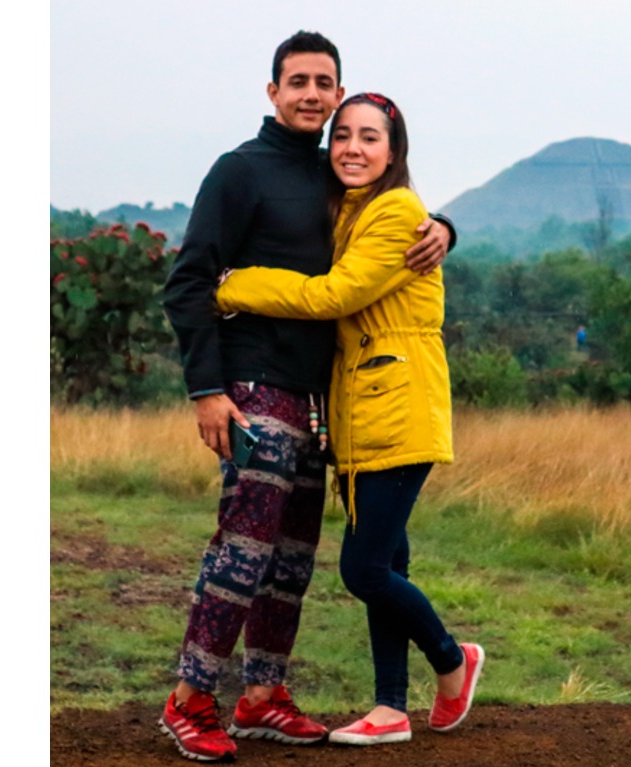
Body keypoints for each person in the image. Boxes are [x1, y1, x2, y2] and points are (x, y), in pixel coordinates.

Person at [160, 32, 455, 763]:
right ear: (273, 92)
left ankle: (263, 694)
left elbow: (388, 227)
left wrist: (448, 228)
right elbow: (189, 281)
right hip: (254, 390)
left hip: (319, 401)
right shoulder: (239, 171)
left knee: (292, 556)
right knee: (244, 548)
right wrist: (205, 390)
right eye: (299, 82)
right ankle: (191, 698)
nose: (313, 95)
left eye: (326, 83)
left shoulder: (334, 178)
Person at [215, 91, 484, 747]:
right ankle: (390, 708)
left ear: (394, 152)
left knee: (363, 570)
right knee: (389, 560)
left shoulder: (394, 212)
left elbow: (332, 294)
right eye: (342, 136)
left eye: (369, 138)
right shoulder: (347, 210)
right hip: (364, 414)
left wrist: (230, 285)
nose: (352, 149)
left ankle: (453, 660)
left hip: (397, 407)